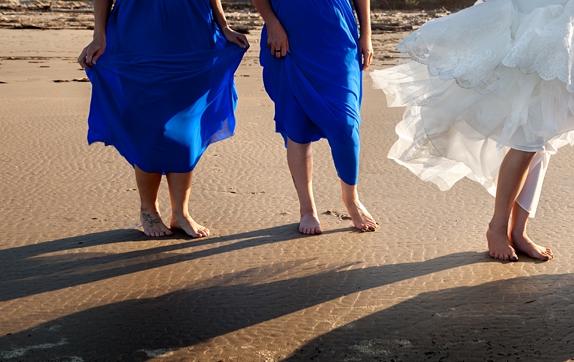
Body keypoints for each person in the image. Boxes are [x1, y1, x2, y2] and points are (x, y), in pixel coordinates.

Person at [371, 0, 574, 260]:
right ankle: (498, 227)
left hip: (565, 29)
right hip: (528, 26)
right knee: (530, 141)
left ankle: (518, 231)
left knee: (541, 140)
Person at [78, 0, 249, 238]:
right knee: (148, 124)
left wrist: (224, 26)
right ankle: (149, 210)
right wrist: (99, 36)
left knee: (188, 125)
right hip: (138, 34)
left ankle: (181, 213)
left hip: (193, 31)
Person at [253, 0, 378, 234]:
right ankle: (307, 209)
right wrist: (272, 24)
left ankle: (351, 199)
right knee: (296, 125)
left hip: (337, 37)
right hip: (288, 36)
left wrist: (366, 35)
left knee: (345, 125)